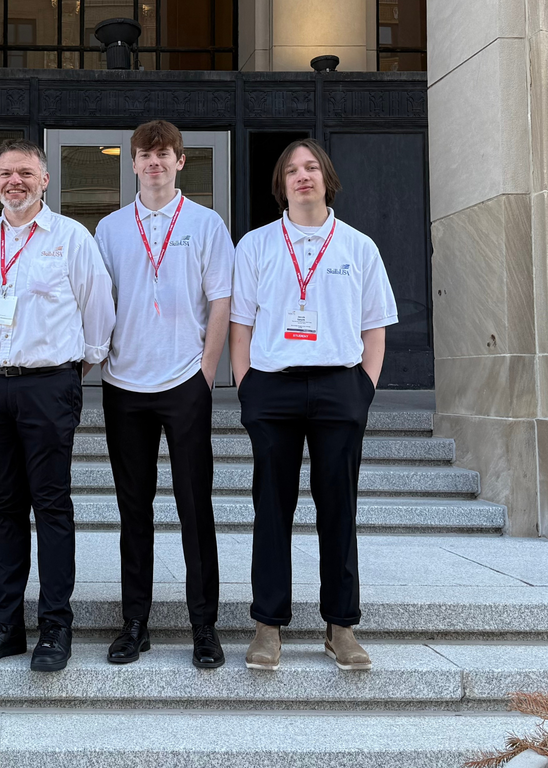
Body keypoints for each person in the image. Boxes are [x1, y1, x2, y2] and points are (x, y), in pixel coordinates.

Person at [230, 138, 398, 671]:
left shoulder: (358, 247)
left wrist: (362, 390)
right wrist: (246, 387)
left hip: (338, 387)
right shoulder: (255, 245)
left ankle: (341, 626)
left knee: (338, 510)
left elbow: (375, 326)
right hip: (273, 388)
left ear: (327, 178)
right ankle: (267, 625)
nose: (302, 176)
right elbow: (241, 325)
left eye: (311, 168)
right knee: (271, 510)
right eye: (292, 170)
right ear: (280, 185)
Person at [0, 138, 115, 672]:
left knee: (50, 504)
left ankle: (54, 627)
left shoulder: (71, 239)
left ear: (45, 180)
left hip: (49, 387)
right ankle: (5, 626)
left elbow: (98, 312)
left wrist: (72, 371)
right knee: (4, 507)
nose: (13, 181)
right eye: (4, 173)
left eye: (25, 172)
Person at [94, 120, 234, 668]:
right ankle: (135, 622)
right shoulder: (109, 228)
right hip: (124, 383)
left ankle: (205, 625)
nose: (154, 162)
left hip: (183, 382)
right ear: (132, 164)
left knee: (195, 506)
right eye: (145, 155)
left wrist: (206, 371)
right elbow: (96, 298)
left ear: (180, 162)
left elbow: (220, 299)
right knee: (134, 509)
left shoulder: (204, 223)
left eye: (164, 154)